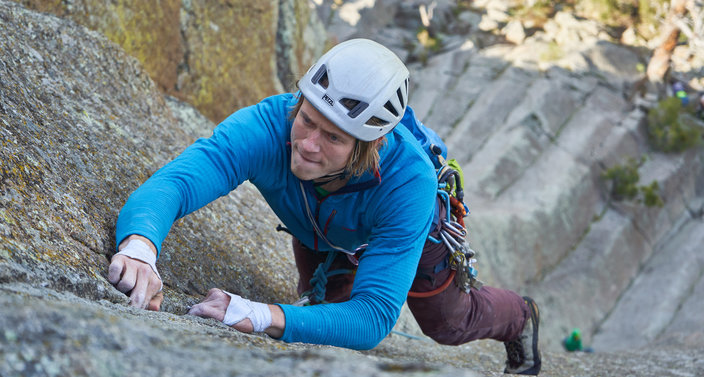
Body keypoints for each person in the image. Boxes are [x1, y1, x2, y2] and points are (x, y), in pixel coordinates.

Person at [107, 38, 541, 375]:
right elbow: (179, 181)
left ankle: (520, 316)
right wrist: (140, 248)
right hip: (321, 225)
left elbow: (373, 316)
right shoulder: (270, 125)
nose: (307, 145)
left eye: (333, 137)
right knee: (324, 318)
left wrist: (260, 315)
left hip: (399, 227)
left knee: (448, 323)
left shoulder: (408, 183)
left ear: (368, 148)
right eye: (308, 120)